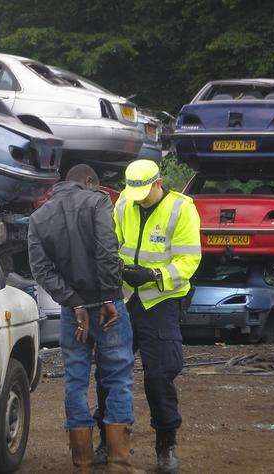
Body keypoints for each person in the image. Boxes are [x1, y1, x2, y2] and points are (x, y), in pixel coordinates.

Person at [28, 164, 136, 473]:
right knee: (118, 378)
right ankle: (118, 461)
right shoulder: (98, 201)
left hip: (72, 312)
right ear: (89, 182)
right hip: (107, 306)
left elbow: (41, 270)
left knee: (75, 380)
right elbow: (107, 250)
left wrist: (74, 302)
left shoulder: (39, 217)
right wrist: (106, 297)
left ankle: (83, 461)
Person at [95, 159, 201, 473]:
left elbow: (188, 261)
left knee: (159, 376)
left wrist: (154, 275)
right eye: (134, 192)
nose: (138, 198)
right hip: (125, 299)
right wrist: (118, 271)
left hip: (161, 303)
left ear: (158, 183)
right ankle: (108, 441)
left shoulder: (181, 209)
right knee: (109, 373)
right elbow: (110, 245)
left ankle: (166, 447)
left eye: (144, 192)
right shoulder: (124, 203)